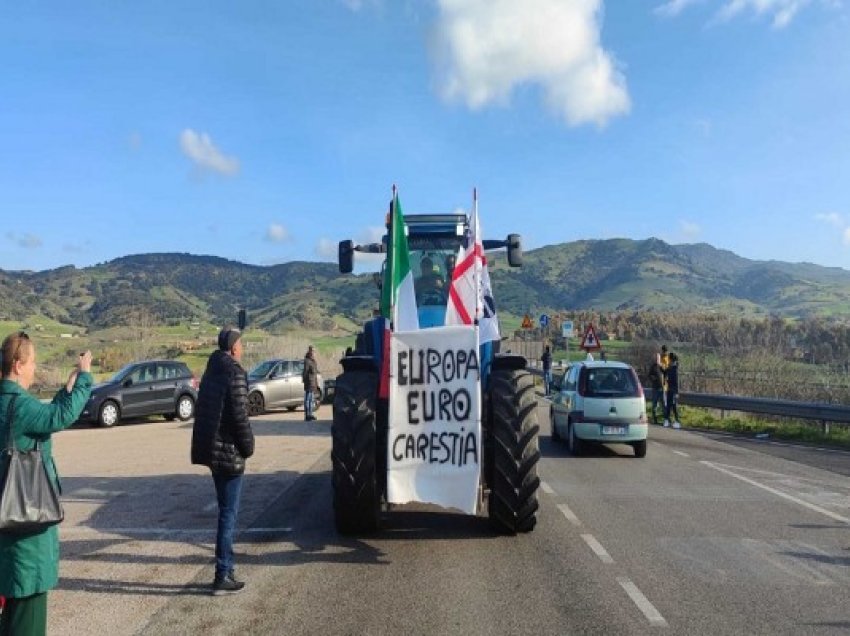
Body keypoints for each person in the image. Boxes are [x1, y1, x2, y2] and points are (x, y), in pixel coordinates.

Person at [0, 332, 93, 635]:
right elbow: (60, 417)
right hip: (24, 529)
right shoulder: (20, 405)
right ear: (17, 365)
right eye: (32, 362)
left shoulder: (9, 404)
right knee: (27, 615)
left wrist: (66, 390)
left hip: (5, 527)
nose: (34, 369)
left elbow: (45, 416)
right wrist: (84, 378)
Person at [191, 327, 254, 595]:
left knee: (224, 511)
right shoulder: (235, 373)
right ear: (233, 347)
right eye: (240, 343)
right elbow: (240, 417)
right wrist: (248, 447)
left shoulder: (212, 371)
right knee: (229, 514)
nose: (242, 347)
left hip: (212, 452)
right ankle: (222, 572)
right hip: (229, 453)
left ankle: (226, 568)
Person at [664, 351, 681, 429]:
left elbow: (676, 381)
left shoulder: (674, 369)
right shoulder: (670, 368)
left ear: (671, 360)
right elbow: (665, 372)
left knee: (674, 406)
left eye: (669, 359)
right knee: (668, 406)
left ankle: (677, 421)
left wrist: (676, 392)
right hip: (669, 390)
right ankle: (667, 420)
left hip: (673, 391)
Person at [647, 352, 665, 425]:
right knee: (654, 405)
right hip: (655, 389)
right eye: (656, 358)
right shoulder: (653, 367)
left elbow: (666, 374)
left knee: (664, 405)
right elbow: (649, 375)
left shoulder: (661, 366)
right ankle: (655, 420)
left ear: (660, 359)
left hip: (662, 389)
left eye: (658, 358)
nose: (657, 359)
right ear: (655, 359)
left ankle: (665, 420)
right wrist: (653, 379)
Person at [302, 345, 319, 422]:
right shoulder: (307, 361)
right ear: (309, 351)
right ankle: (307, 415)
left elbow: (315, 373)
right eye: (312, 351)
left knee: (311, 399)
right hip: (309, 382)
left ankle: (310, 414)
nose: (313, 352)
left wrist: (316, 383)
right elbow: (305, 372)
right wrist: (305, 380)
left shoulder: (313, 361)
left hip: (313, 382)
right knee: (307, 399)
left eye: (314, 351)